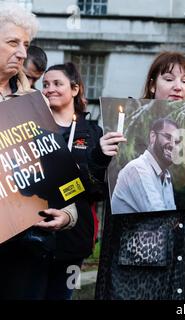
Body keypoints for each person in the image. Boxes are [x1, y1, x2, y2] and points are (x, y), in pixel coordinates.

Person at [97, 51, 185, 300]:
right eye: (169, 78)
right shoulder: (133, 157)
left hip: (177, 259)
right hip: (136, 262)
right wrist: (100, 156)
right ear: (153, 84)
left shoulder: (166, 172)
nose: (178, 87)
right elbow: (158, 210)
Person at [0, 3, 78, 300]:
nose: (21, 53)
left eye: (26, 44)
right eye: (12, 43)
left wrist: (68, 214)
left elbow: (56, 165)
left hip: (26, 247)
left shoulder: (35, 102)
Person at [41, 62, 123, 299]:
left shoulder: (94, 133)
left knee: (65, 294)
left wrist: (80, 170)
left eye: (58, 83)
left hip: (76, 240)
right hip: (34, 234)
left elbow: (99, 186)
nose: (50, 89)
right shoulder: (33, 127)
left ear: (75, 89)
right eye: (45, 84)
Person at [111, 118, 180, 214]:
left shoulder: (166, 176)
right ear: (153, 136)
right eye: (168, 137)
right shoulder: (137, 169)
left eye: (176, 142)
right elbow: (159, 216)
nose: (173, 145)